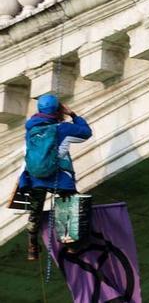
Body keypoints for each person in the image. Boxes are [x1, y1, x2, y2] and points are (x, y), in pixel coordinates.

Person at [17, 94, 92, 260]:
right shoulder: (62, 129)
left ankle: (32, 246)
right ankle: (71, 246)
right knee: (72, 204)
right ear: (58, 111)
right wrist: (73, 115)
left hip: (34, 177)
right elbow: (86, 133)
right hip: (59, 176)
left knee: (35, 210)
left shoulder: (30, 129)